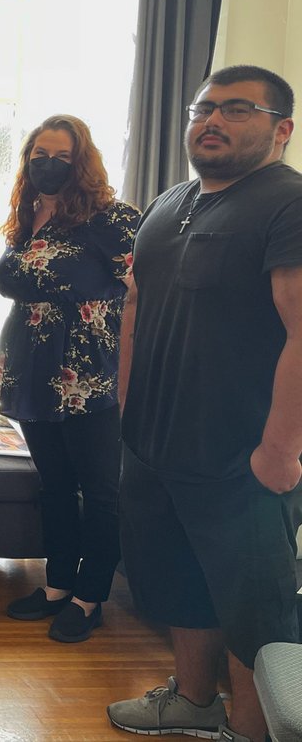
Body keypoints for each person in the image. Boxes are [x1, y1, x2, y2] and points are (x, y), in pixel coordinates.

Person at [106, 65, 302, 742]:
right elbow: (135, 304)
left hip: (240, 456)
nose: (212, 120)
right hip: (158, 444)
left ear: (282, 130)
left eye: (237, 109)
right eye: (204, 108)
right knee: (176, 582)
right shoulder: (168, 202)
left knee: (252, 608)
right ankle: (193, 702)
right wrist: (129, 407)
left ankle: (251, 731)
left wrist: (280, 450)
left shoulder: (287, 203)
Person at [0, 115, 139, 643]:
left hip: (89, 374)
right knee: (53, 484)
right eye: (38, 154)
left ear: (81, 162)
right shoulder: (25, 215)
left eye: (60, 155)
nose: (47, 164)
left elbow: (139, 295)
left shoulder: (113, 218)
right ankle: (57, 585)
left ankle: (90, 595)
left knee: (100, 491)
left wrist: (129, 371)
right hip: (30, 369)